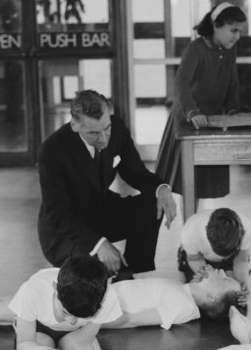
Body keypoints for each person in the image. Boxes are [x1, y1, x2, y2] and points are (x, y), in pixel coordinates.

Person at [0, 264, 241, 338]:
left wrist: (83, 312)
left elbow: (128, 320)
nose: (219, 272)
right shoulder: (180, 289)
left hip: (82, 308)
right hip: (89, 299)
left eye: (223, 279)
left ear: (211, 296)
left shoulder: (183, 306)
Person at [38, 89, 177, 280]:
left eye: (106, 129)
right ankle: (117, 273)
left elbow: (135, 172)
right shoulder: (52, 150)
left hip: (100, 210)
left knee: (150, 204)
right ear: (75, 125)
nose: (104, 139)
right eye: (94, 133)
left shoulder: (117, 129)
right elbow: (59, 214)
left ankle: (134, 273)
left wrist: (162, 190)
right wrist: (99, 244)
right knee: (94, 276)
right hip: (66, 230)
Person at [155, 2, 247, 209]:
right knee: (182, 180)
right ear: (216, 25)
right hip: (188, 120)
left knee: (202, 183)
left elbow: (233, 84)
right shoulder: (195, 48)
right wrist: (192, 111)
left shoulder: (230, 50)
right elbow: (181, 83)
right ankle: (182, 232)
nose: (237, 36)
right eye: (233, 30)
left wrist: (233, 111)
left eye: (240, 32)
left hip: (211, 122)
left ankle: (195, 231)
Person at [178, 208, 251, 298]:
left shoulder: (248, 228)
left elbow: (241, 260)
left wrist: (242, 283)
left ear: (242, 233)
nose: (223, 258)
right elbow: (194, 259)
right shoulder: (190, 232)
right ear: (206, 230)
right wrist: (205, 276)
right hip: (198, 258)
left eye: (226, 255)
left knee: (234, 295)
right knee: (198, 296)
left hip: (234, 258)